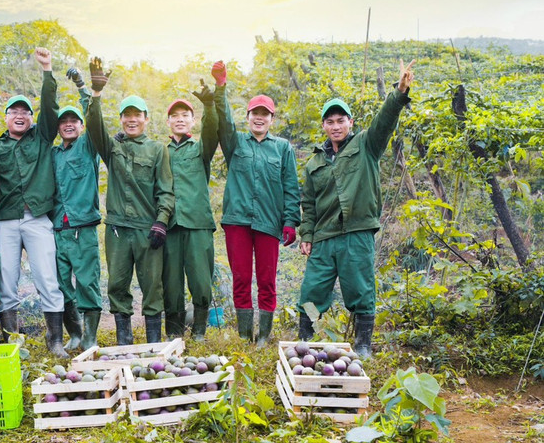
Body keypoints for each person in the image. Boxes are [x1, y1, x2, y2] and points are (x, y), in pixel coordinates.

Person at [298, 59, 416, 357]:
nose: (335, 126)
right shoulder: (314, 161)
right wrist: (307, 234)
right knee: (312, 292)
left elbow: (384, 121)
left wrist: (399, 93)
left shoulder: (367, 145)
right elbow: (308, 204)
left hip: (357, 233)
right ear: (323, 126)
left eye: (341, 120)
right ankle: (306, 339)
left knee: (361, 290)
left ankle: (363, 346)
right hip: (324, 238)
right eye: (330, 121)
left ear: (350, 122)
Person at [86, 57, 175, 345]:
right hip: (117, 230)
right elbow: (94, 126)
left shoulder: (158, 149)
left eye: (137, 115)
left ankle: (152, 346)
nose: (132, 119)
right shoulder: (112, 147)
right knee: (117, 285)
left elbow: (166, 190)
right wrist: (96, 95)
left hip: (147, 229)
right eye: (127, 115)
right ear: (122, 118)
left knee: (152, 288)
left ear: (146, 119)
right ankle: (124, 343)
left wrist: (161, 222)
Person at [212, 61, 300, 347]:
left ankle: (263, 336)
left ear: (271, 119)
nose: (259, 118)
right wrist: (220, 87)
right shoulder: (235, 142)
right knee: (240, 278)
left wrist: (290, 220)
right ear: (248, 116)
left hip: (268, 222)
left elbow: (290, 186)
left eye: (265, 114)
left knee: (266, 280)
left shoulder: (282, 148)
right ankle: (243, 335)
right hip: (237, 221)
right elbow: (223, 121)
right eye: (255, 114)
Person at [0, 47, 67, 358]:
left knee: (47, 278)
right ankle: (13, 341)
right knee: (7, 280)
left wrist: (47, 70)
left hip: (37, 218)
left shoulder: (42, 137)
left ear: (30, 118)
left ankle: (55, 340)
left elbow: (50, 108)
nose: (19, 116)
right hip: (5, 219)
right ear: (6, 117)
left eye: (25, 112)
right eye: (13, 112)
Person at [162, 83, 219, 342]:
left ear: (193, 121)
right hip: (169, 226)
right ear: (168, 122)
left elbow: (212, 132)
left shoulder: (200, 149)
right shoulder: (159, 152)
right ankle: (174, 332)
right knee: (171, 281)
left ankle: (199, 332)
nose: (180, 119)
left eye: (185, 115)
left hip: (197, 223)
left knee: (200, 280)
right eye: (175, 116)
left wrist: (209, 105)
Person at [52, 67, 102, 350]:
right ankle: (75, 333)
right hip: (58, 227)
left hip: (83, 227)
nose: (69, 124)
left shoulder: (87, 146)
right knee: (61, 284)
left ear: (81, 126)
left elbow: (96, 121)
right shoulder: (53, 153)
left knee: (87, 282)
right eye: (64, 121)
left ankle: (91, 337)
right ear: (58, 127)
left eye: (74, 121)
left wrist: (84, 88)